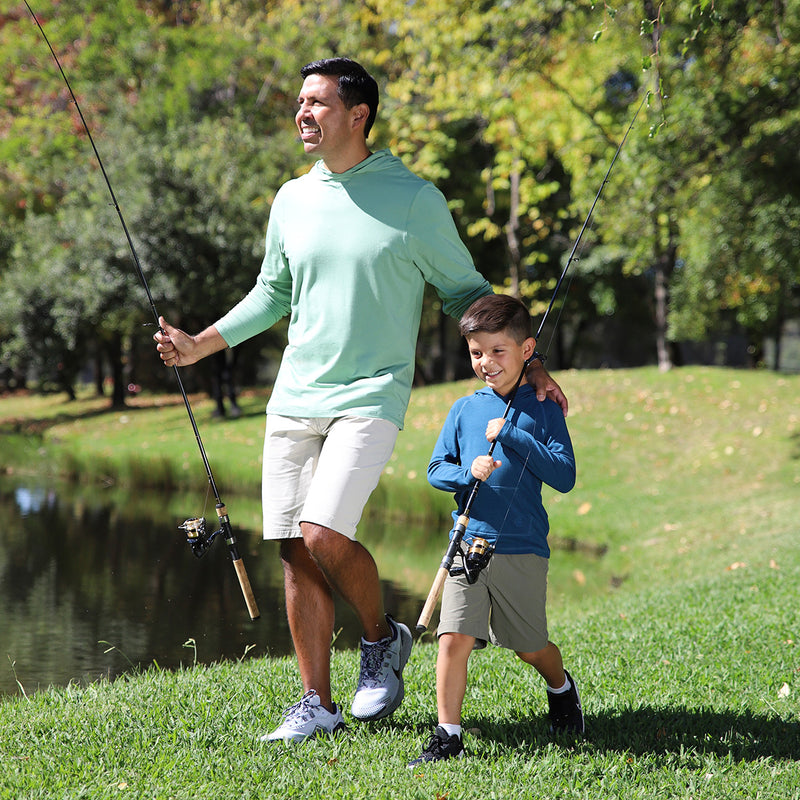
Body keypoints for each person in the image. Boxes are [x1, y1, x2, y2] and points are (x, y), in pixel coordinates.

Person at [154, 57, 567, 743]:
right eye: (299, 102)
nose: (302, 114)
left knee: (323, 532)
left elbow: (466, 290)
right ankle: (316, 702)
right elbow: (273, 293)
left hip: (372, 392)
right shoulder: (291, 199)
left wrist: (529, 360)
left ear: (357, 114)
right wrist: (202, 343)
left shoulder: (413, 200)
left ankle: (381, 639)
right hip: (296, 393)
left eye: (316, 102)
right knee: (292, 545)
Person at [409, 294, 582, 765]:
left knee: (529, 645)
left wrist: (514, 435)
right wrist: (466, 473)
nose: (485, 362)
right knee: (454, 638)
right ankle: (448, 735)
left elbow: (564, 476)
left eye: (497, 351)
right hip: (467, 545)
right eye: (475, 352)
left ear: (528, 351)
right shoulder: (464, 409)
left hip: (522, 547)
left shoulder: (543, 407)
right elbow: (434, 468)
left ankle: (561, 685)